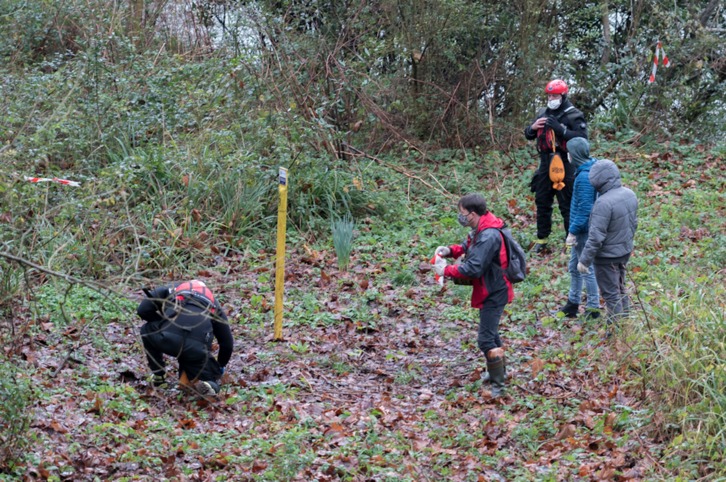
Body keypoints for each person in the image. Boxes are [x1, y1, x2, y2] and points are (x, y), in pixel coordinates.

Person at [433, 194, 514, 397]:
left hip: (495, 290)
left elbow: (473, 268)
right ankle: (499, 372)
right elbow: (468, 246)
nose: (461, 217)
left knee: (485, 340)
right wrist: (450, 251)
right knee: (492, 333)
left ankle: (499, 386)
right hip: (491, 287)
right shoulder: (481, 228)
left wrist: (447, 271)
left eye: (463, 214)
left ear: (473, 214)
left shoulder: (489, 236)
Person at [524, 79, 588, 253]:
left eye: (554, 95)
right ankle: (542, 240)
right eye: (549, 95)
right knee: (542, 200)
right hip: (546, 162)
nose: (551, 98)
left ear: (563, 95)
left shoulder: (573, 114)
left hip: (566, 161)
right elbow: (529, 134)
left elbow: (582, 138)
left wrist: (561, 130)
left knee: (567, 203)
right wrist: (532, 128)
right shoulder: (542, 113)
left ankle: (571, 241)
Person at [137, 280, 233, 396]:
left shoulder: (171, 288)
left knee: (146, 330)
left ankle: (159, 374)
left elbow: (143, 310)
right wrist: (220, 366)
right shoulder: (214, 304)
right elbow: (227, 344)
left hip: (167, 338)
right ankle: (209, 383)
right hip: (196, 349)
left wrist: (163, 323)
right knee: (210, 378)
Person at [577, 160, 638, 327]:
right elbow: (634, 223)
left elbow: (596, 237)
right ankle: (626, 323)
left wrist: (584, 260)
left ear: (597, 180)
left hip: (606, 257)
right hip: (624, 251)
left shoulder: (603, 203)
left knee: (611, 294)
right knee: (620, 288)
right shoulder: (629, 194)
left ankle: (616, 331)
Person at [555, 137, 601, 320]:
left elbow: (584, 210)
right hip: (583, 228)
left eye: (569, 152)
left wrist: (572, 231)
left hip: (584, 231)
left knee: (585, 268)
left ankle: (593, 308)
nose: (567, 155)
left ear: (574, 154)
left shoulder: (583, 177)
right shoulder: (589, 168)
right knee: (574, 267)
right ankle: (572, 303)